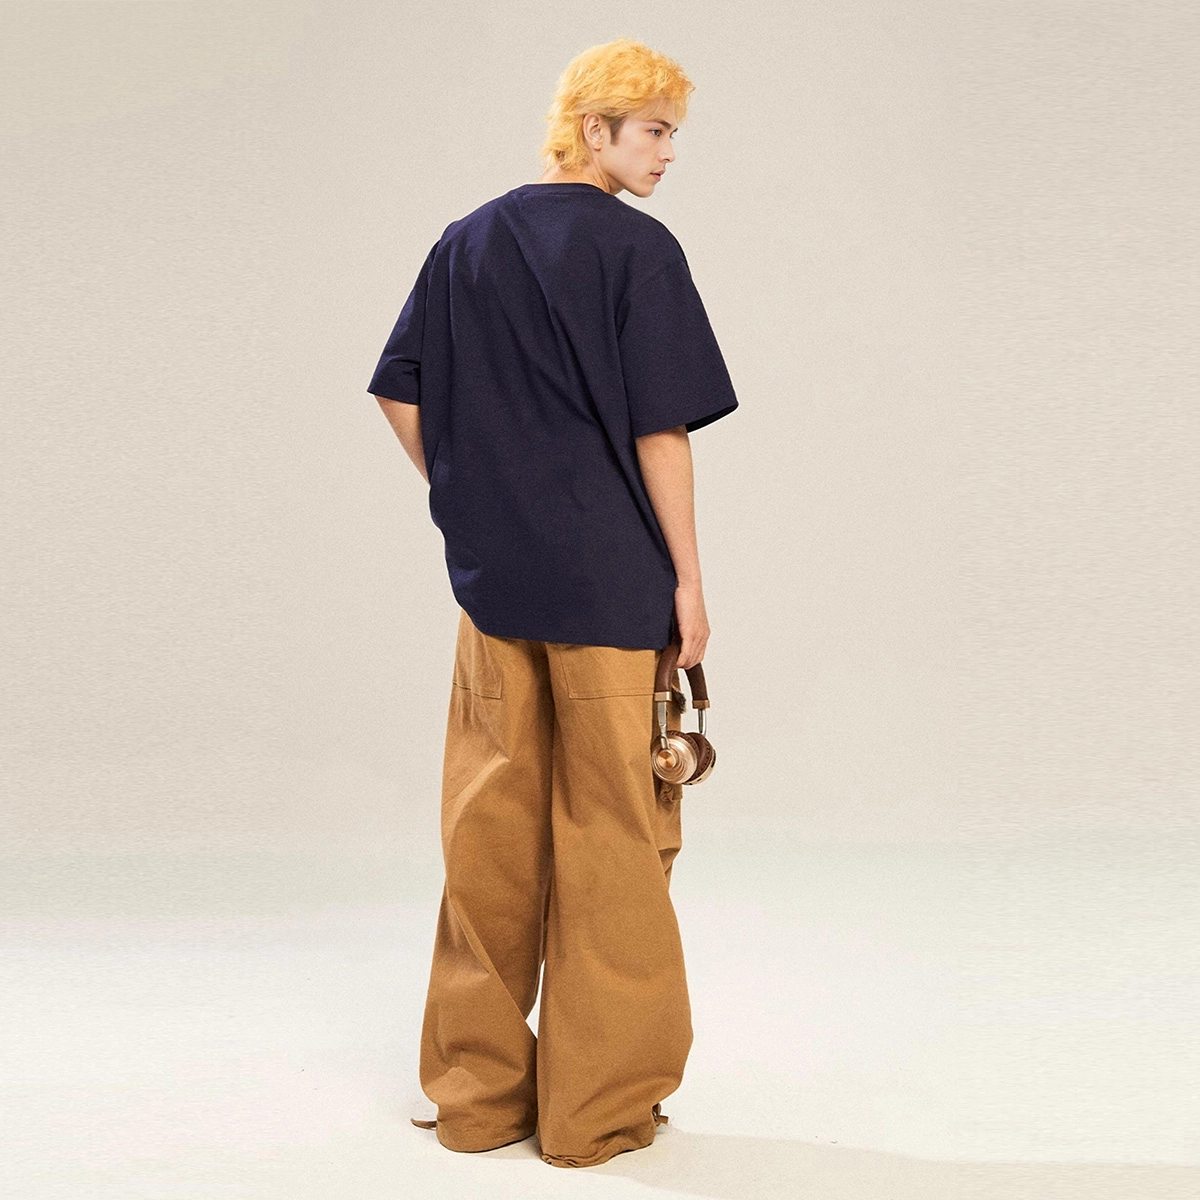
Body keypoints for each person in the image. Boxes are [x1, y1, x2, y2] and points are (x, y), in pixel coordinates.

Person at [366, 38, 739, 1169]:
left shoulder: (466, 240)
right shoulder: (637, 249)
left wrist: (470, 498)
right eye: (654, 130)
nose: (668, 153)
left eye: (672, 132)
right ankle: (596, 1114)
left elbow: (398, 391)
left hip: (496, 591)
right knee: (613, 844)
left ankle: (476, 1102)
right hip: (610, 589)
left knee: (487, 837)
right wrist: (688, 580)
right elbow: (660, 430)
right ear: (594, 130)